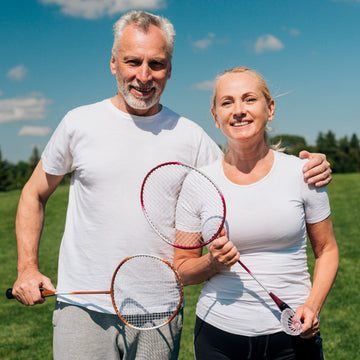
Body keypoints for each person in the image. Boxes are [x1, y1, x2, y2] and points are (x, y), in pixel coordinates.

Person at [11, 10, 331, 360]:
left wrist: (311, 165)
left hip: (160, 313)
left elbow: (243, 170)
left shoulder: (191, 136)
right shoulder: (78, 123)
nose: (144, 76)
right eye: (133, 61)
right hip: (82, 308)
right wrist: (27, 267)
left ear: (170, 69)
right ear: (114, 63)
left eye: (157, 64)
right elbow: (34, 193)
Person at [173, 66, 339, 360]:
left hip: (294, 333)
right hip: (218, 338)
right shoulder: (198, 182)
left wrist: (312, 306)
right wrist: (212, 263)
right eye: (227, 102)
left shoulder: (304, 172)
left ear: (270, 108)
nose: (239, 110)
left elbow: (326, 249)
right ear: (215, 116)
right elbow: (181, 270)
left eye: (249, 99)